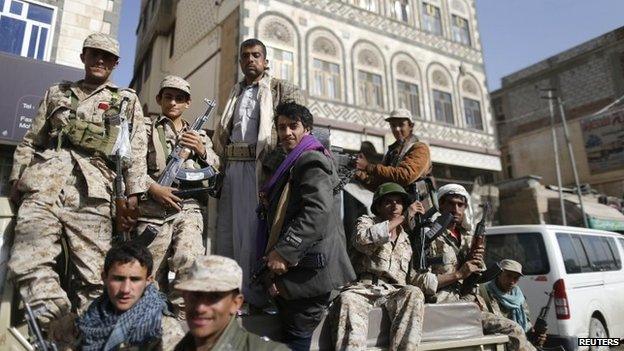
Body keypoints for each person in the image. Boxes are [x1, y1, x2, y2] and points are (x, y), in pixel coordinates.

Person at [8, 32, 148, 333]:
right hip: (44, 185)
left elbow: (135, 150)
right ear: (83, 56)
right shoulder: (57, 92)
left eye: (107, 57)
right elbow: (32, 140)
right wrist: (17, 177)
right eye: (94, 53)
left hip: (93, 192)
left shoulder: (125, 99)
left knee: (97, 277)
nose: (100, 60)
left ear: (115, 64)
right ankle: (61, 331)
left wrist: (133, 195)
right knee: (26, 261)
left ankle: (96, 336)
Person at [212, 38, 305, 307]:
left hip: (261, 173)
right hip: (233, 171)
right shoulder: (235, 93)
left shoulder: (279, 90)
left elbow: (295, 132)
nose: (250, 60)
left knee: (254, 234)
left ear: (265, 61)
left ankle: (255, 296)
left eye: (256, 55)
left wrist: (273, 168)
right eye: (245, 56)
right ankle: (230, 294)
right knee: (229, 232)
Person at [258, 102, 355, 350]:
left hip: (309, 272)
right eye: (282, 127)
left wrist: (284, 252)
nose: (287, 132)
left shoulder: (310, 159)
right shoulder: (291, 160)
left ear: (307, 129)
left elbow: (316, 212)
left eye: (294, 126)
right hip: (297, 272)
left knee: (297, 338)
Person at [413, 183, 537, 351]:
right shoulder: (428, 235)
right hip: (441, 308)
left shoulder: (466, 238)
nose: (455, 209)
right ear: (440, 205)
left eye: (460, 204)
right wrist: (458, 274)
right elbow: (418, 281)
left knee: (517, 330)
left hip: (467, 305)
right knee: (513, 330)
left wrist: (476, 263)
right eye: (450, 203)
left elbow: (477, 278)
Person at [136, 75, 220, 318]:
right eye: (168, 97)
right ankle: (152, 319)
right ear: (159, 99)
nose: (173, 102)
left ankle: (184, 315)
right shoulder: (145, 128)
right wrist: (154, 188)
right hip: (154, 207)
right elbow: (133, 167)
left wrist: (202, 150)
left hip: (189, 206)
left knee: (189, 258)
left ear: (188, 103)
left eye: (179, 98)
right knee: (152, 267)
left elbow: (216, 168)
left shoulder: (199, 135)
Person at [333, 182, 426, 351]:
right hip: (363, 288)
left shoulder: (406, 238)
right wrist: (403, 218)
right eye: (388, 202)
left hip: (393, 291)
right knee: (347, 299)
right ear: (378, 207)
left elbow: (412, 277)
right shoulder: (366, 221)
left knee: (414, 293)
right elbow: (363, 240)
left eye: (399, 202)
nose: (394, 206)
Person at [77, 243, 184, 350]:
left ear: (148, 281)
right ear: (104, 278)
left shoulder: (164, 328)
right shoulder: (88, 317)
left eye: (135, 279)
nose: (125, 289)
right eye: (118, 279)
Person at [173, 255, 289, 351]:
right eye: (195, 295)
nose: (200, 308)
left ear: (236, 303)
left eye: (214, 297)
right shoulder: (183, 347)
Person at [354, 108, 431, 191]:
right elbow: (381, 186)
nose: (397, 129)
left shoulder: (420, 148)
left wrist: (368, 166)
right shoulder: (392, 153)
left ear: (411, 126)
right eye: (393, 125)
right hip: (397, 202)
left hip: (415, 203)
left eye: (401, 124)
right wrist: (358, 174)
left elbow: (405, 176)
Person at [480, 259, 548, 348]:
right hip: (497, 343)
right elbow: (485, 323)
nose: (512, 281)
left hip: (518, 341)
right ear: (499, 274)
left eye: (516, 278)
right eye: (508, 276)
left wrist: (536, 336)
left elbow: (526, 324)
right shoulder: (484, 293)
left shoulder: (518, 297)